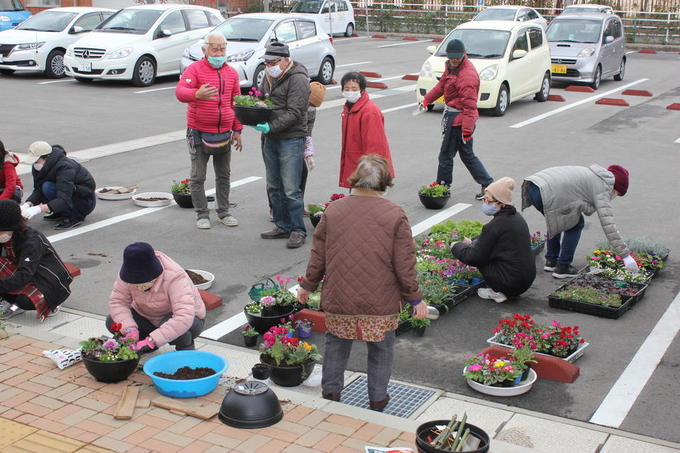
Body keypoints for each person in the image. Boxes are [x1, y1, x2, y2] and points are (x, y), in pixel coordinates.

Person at [297, 155, 427, 412]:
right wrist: (415, 298)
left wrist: (307, 286)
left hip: (340, 295)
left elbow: (318, 257)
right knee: (381, 347)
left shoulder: (333, 211)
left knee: (336, 343)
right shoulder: (394, 214)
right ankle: (378, 399)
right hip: (380, 299)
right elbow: (405, 264)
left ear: (355, 180)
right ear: (385, 184)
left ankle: (331, 394)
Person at [521, 164, 639, 279]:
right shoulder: (603, 188)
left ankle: (551, 260)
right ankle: (563, 266)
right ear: (615, 186)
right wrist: (626, 256)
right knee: (576, 224)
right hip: (546, 193)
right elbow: (608, 225)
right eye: (617, 193)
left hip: (534, 186)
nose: (614, 196)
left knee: (557, 218)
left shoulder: (594, 175)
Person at [176, 31, 243, 230]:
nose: (219, 52)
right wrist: (197, 93)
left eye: (222, 48)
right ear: (205, 50)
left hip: (224, 133)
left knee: (224, 175)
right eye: (215, 48)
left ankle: (223, 212)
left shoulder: (232, 73)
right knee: (198, 176)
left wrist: (238, 130)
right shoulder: (194, 70)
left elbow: (237, 102)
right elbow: (180, 92)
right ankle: (202, 214)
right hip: (198, 131)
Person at [421, 39, 494, 200]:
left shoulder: (467, 76)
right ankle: (488, 184)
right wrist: (427, 99)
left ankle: (442, 184)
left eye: (457, 57)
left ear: (464, 54)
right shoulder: (451, 67)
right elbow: (442, 86)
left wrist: (466, 131)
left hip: (459, 120)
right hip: (455, 117)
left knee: (446, 154)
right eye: (452, 57)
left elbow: (470, 107)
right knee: (467, 155)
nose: (454, 60)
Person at [255, 42, 310, 249]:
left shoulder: (298, 78)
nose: (269, 66)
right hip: (270, 137)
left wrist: (271, 126)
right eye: (267, 62)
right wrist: (256, 106)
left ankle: (298, 229)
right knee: (273, 185)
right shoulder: (269, 76)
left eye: (273, 62)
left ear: (286, 60)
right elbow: (261, 97)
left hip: (291, 138)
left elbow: (295, 112)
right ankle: (282, 225)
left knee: (290, 188)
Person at [106, 242, 206, 352]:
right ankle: (142, 343)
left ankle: (186, 350)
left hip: (189, 321)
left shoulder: (175, 277)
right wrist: (130, 330)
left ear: (155, 275)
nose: (139, 287)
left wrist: (152, 341)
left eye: (143, 283)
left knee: (178, 330)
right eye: (135, 284)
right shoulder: (127, 272)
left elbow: (183, 316)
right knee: (112, 321)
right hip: (148, 317)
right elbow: (118, 302)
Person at [451, 177, 536, 303]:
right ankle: (503, 289)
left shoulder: (495, 225)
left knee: (482, 258)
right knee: (482, 249)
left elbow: (474, 257)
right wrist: (472, 242)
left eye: (487, 200)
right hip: (525, 279)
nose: (484, 203)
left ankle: (498, 291)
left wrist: (455, 246)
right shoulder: (516, 218)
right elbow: (490, 240)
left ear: (501, 203)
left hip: (510, 283)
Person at [0, 200, 72, 321]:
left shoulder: (31, 239)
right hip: (21, 270)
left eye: (3, 230)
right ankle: (9, 298)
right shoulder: (7, 236)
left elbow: (25, 274)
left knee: (24, 301)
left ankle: (54, 302)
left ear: (14, 227)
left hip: (45, 277)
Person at [22, 141, 96, 230]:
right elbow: (38, 189)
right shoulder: (39, 166)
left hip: (84, 201)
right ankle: (61, 211)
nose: (34, 163)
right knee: (45, 186)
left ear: (47, 157)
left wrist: (38, 208)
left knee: (48, 187)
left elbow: (64, 197)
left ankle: (75, 216)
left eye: (36, 160)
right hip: (66, 195)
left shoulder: (65, 167)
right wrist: (27, 204)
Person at [338, 72, 394, 189]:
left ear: (362, 90)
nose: (350, 91)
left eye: (354, 88)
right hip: (356, 165)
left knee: (367, 202)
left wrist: (371, 174)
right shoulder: (349, 109)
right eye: (347, 88)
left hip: (367, 170)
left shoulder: (369, 111)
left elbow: (375, 146)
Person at [300, 81, 326, 195]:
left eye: (314, 106)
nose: (311, 107)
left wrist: (309, 155)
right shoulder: (297, 104)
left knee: (302, 173)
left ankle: (298, 204)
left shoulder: (312, 111)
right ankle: (275, 206)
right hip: (288, 142)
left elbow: (308, 133)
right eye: (310, 104)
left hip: (299, 143)